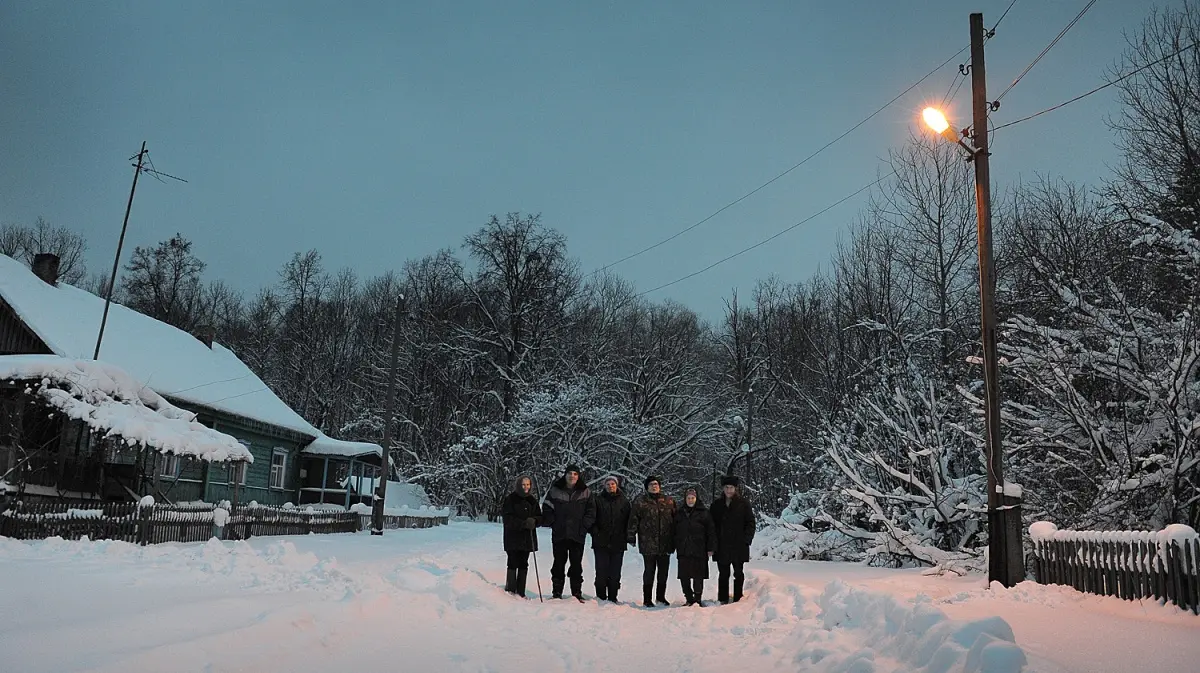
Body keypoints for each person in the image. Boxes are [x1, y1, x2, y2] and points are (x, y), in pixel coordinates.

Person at [541, 464, 596, 601]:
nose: (572, 476)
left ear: (578, 476)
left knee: (576, 564)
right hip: (560, 533)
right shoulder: (555, 490)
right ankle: (557, 592)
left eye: (575, 474)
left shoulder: (585, 491)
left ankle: (576, 593)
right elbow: (547, 507)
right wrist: (553, 522)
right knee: (558, 563)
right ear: (565, 475)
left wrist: (584, 526)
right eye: (570, 473)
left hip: (577, 534)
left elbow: (591, 511)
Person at [626, 475, 676, 607]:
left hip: (665, 542)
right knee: (649, 571)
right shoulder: (640, 501)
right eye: (651, 484)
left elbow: (676, 521)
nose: (654, 486)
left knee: (663, 571)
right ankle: (647, 599)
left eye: (656, 484)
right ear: (647, 487)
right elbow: (633, 520)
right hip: (647, 542)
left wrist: (676, 538)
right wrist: (631, 536)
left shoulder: (669, 501)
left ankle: (661, 597)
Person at [710, 475, 756, 604]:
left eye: (731, 487)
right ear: (723, 489)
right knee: (723, 573)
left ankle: (738, 598)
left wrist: (746, 539)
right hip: (722, 545)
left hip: (738, 545)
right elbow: (711, 525)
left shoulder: (743, 504)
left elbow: (750, 523)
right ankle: (723, 598)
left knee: (738, 573)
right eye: (726, 487)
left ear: (735, 488)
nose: (729, 490)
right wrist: (713, 543)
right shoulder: (716, 504)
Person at [589, 475, 631, 603]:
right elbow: (591, 518)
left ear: (617, 485)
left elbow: (629, 520)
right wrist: (595, 532)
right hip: (600, 542)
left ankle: (613, 597)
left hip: (618, 542)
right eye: (608, 484)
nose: (610, 486)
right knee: (601, 572)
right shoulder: (597, 500)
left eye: (612, 484)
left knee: (615, 573)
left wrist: (627, 535)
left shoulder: (624, 501)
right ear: (604, 486)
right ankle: (601, 597)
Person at [673, 486, 716, 606]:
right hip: (684, 549)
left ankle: (697, 598)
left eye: (692, 498)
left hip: (699, 549)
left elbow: (711, 531)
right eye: (688, 498)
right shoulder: (680, 513)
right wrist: (675, 544)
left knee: (698, 575)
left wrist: (711, 548)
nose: (690, 500)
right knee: (684, 575)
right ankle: (688, 597)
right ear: (685, 499)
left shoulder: (704, 513)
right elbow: (673, 530)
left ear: (696, 498)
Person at [500, 475, 541, 598]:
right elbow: (507, 518)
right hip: (513, 537)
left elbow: (539, 516)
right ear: (519, 485)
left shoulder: (532, 500)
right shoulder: (510, 499)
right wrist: (522, 523)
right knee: (513, 562)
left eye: (528, 484)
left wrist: (534, 521)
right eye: (523, 484)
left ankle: (521, 591)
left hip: (527, 538)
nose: (526, 487)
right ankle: (511, 590)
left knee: (524, 563)